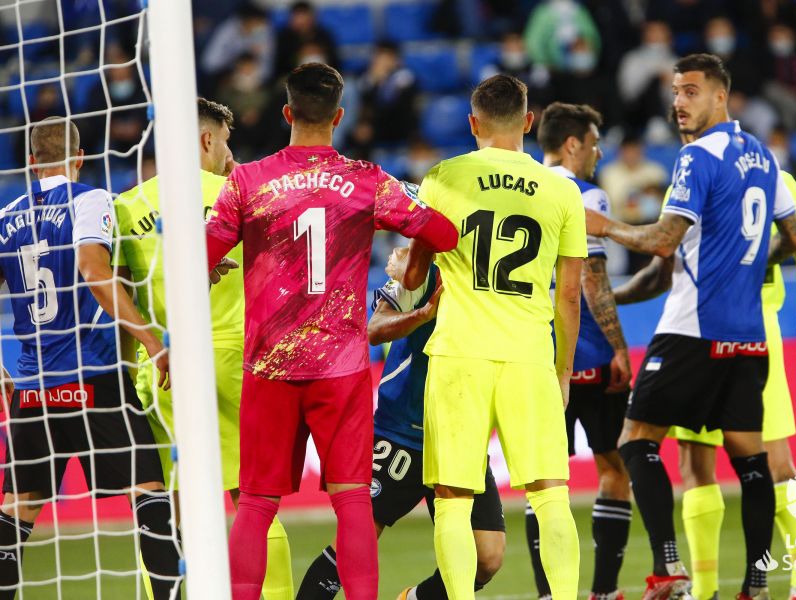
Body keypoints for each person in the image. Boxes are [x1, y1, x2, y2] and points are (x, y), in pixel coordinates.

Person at [204, 63, 458, 600]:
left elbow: (198, 255)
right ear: (339, 116)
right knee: (351, 503)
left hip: (269, 363)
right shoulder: (368, 180)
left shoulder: (248, 181)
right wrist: (411, 249)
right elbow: (443, 233)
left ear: (287, 113)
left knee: (254, 504)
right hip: (339, 368)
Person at [586, 54, 796, 599]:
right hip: (750, 337)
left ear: (719, 96)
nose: (678, 102)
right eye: (675, 92)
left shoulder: (695, 159)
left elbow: (662, 243)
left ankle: (669, 568)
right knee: (751, 459)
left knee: (636, 441)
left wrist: (607, 227)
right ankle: (757, 583)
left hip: (691, 330)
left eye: (689, 91)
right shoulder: (763, 159)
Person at [401, 74, 587, 600]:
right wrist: (564, 372)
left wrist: (406, 267)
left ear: (472, 123)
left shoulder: (442, 179)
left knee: (454, 498)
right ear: (529, 121)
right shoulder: (562, 189)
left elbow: (415, 277)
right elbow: (568, 296)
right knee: (550, 494)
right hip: (529, 354)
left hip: (459, 353)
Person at [115, 98, 294, 600]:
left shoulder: (128, 206)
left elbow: (118, 291)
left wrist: (136, 364)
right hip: (240, 359)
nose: (229, 152)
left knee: (166, 503)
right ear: (207, 139)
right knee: (253, 498)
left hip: (164, 364)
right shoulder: (247, 195)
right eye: (226, 140)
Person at [0, 117, 182, 599]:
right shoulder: (90, 199)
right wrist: (150, 339)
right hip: (94, 376)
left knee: (17, 510)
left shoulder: (6, 216)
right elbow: (93, 268)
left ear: (32, 162)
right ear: (79, 158)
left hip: (34, 385)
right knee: (149, 495)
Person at [297, 253, 505, 600]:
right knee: (355, 542)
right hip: (401, 432)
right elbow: (374, 328)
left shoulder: (504, 284)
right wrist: (422, 315)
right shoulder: (424, 272)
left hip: (460, 433)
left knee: (488, 558)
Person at [526, 102, 631, 600]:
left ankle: (549, 593)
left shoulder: (524, 188)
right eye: (592, 143)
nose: (597, 152)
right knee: (614, 467)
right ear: (573, 144)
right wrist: (617, 346)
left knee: (543, 480)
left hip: (533, 355)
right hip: (586, 351)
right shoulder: (587, 194)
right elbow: (591, 277)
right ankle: (605, 591)